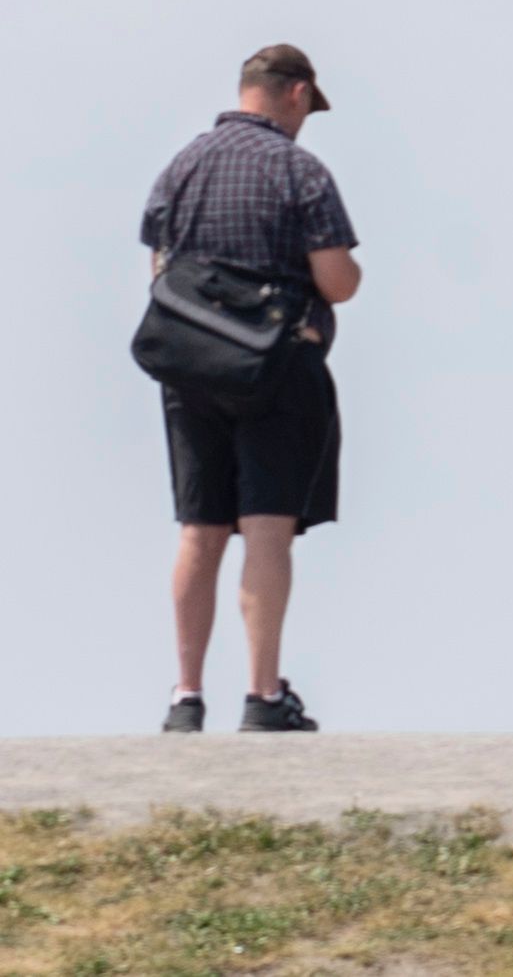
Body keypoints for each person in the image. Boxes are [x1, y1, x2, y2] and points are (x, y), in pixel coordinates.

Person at [142, 44, 362, 734]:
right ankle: (263, 695)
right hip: (274, 370)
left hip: (189, 368)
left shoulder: (183, 164)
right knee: (266, 527)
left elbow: (159, 266)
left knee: (199, 530)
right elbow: (335, 280)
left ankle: (184, 696)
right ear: (295, 93)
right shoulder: (300, 171)